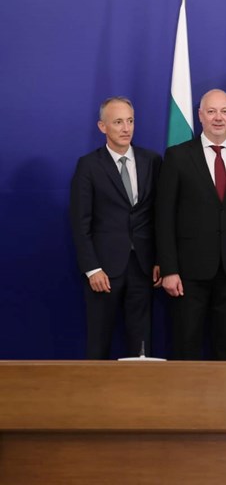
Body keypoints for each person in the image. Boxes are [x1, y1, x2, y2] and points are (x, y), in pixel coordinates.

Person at [155, 88, 226, 361]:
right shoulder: (177, 156)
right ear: (200, 115)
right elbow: (164, 217)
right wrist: (169, 269)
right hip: (188, 274)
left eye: (225, 111)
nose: (219, 117)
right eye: (212, 111)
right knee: (186, 347)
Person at [69, 96, 161, 359]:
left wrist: (160, 259)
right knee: (99, 342)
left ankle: (139, 386)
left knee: (141, 344)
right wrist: (92, 268)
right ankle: (96, 387)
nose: (126, 128)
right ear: (102, 126)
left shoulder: (152, 161)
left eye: (130, 121)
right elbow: (80, 221)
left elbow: (159, 215)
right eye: (118, 122)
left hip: (143, 266)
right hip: (104, 270)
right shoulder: (88, 165)